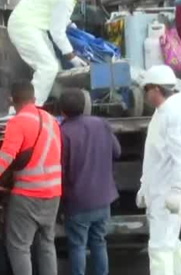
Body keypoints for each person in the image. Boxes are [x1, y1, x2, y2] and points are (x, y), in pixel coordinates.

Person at [0, 81, 62, 275]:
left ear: (11, 100)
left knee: (19, 246)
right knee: (47, 243)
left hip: (28, 194)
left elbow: (5, 156)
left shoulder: (18, 122)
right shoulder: (51, 120)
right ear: (34, 98)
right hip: (54, 193)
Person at [6, 0, 101, 106]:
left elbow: (60, 18)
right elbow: (57, 32)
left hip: (34, 26)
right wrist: (73, 57)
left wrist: (74, 28)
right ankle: (30, 108)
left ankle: (46, 105)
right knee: (48, 67)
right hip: (24, 26)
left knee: (55, 68)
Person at [136, 66, 181, 275]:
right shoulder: (162, 114)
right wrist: (145, 188)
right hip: (161, 193)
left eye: (146, 89)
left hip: (168, 195)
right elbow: (155, 159)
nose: (144, 95)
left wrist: (177, 191)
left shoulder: (174, 118)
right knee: (170, 246)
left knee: (160, 250)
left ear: (156, 89)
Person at [58, 89, 120, 275]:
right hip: (103, 198)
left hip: (77, 202)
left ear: (62, 111)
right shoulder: (101, 124)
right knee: (99, 242)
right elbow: (117, 152)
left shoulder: (63, 132)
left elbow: (60, 167)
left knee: (78, 246)